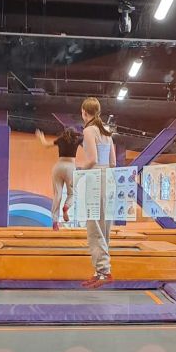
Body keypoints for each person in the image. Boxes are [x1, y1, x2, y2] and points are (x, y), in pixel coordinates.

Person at [79, 97, 116, 288]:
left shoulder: (88, 131)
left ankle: (104, 271)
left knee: (94, 227)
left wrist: (79, 170)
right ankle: (100, 271)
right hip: (109, 178)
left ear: (84, 112)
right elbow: (113, 162)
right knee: (104, 227)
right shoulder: (107, 132)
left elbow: (92, 159)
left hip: (96, 178)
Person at [36, 127, 81, 229]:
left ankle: (55, 221)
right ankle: (66, 206)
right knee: (72, 193)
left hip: (58, 166)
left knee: (57, 194)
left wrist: (41, 137)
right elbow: (87, 138)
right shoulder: (77, 139)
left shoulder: (60, 139)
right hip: (70, 167)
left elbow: (45, 145)